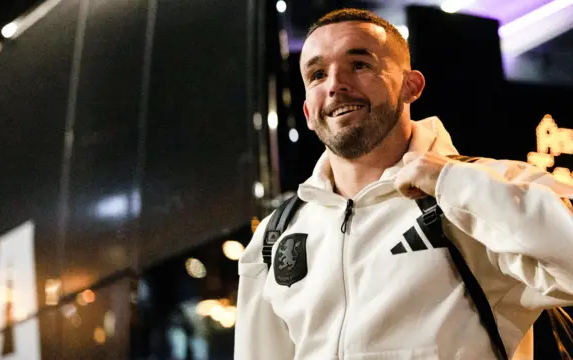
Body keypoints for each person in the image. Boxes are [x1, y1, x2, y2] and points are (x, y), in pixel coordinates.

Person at [234, 8, 573, 360]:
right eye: (318, 74)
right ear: (307, 112)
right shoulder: (276, 235)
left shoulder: (487, 185)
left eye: (360, 64)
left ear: (412, 86)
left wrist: (450, 183)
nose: (335, 84)